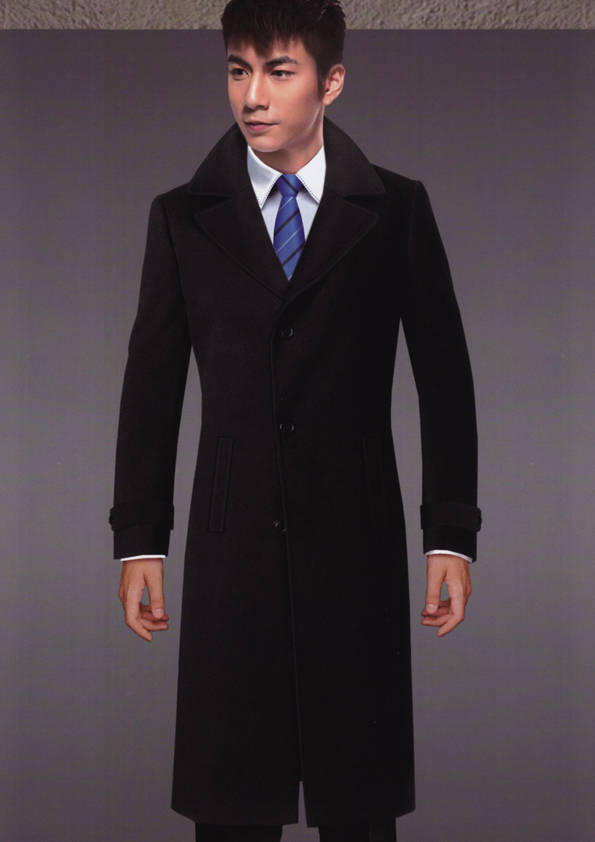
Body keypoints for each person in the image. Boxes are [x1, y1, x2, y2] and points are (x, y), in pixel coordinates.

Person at [109, 1, 482, 840]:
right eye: (238, 70)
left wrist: (450, 535)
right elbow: (151, 384)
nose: (253, 95)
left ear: (330, 82)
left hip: (356, 530)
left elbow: (445, 377)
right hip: (230, 535)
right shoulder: (181, 216)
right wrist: (139, 539)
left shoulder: (395, 209)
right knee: (232, 798)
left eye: (279, 72)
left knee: (358, 801)